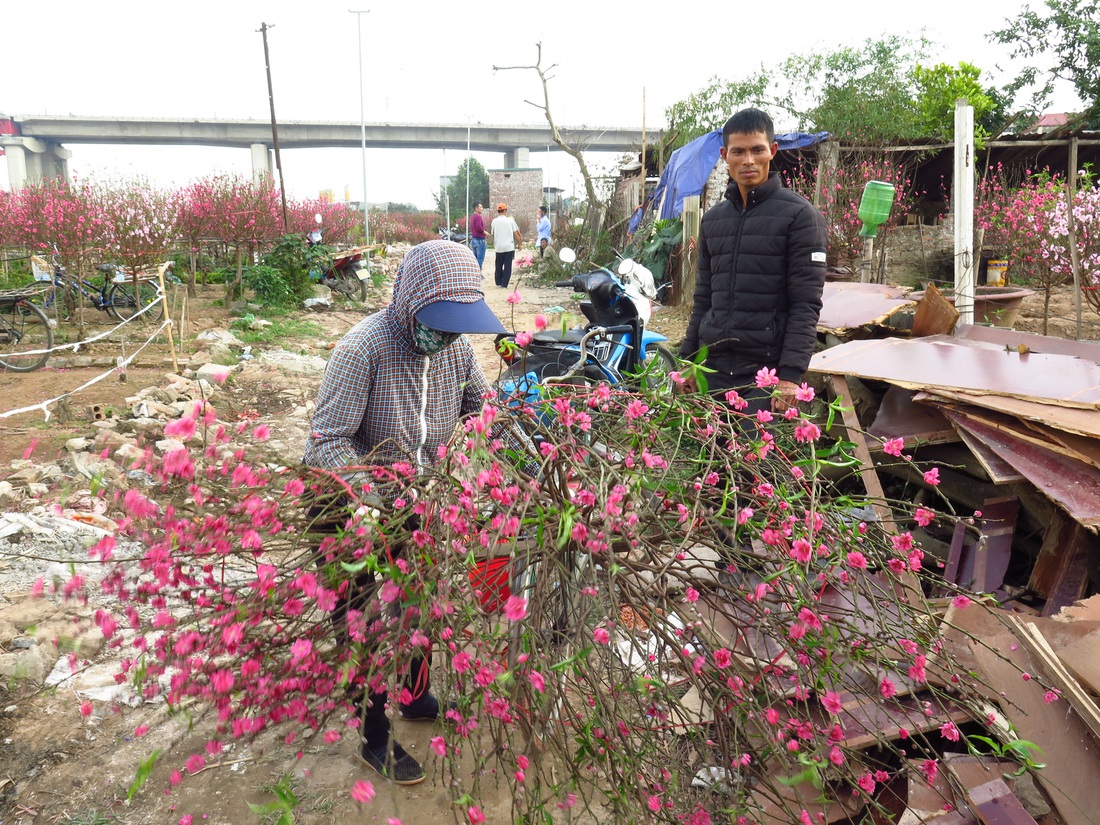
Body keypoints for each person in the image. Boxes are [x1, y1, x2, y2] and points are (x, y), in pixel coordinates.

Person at [303, 239, 506, 785]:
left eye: (455, 324)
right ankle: (375, 735)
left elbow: (483, 410)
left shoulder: (456, 352)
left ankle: (415, 695)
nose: (445, 336)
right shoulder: (363, 348)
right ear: (409, 302)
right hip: (349, 505)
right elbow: (324, 444)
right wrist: (378, 494)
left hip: (417, 501)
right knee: (362, 622)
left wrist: (518, 442)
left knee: (420, 602)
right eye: (437, 322)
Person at [679, 108, 827, 414]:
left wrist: (790, 377)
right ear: (724, 156)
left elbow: (805, 305)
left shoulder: (800, 217)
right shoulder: (712, 221)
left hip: (765, 376)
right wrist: (689, 361)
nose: (748, 160)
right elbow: (704, 299)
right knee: (708, 460)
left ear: (772, 151)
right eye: (739, 151)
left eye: (757, 150)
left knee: (754, 457)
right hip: (714, 371)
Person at [489, 202, 522, 288]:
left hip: (498, 248)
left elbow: (492, 234)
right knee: (508, 266)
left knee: (498, 265)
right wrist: (519, 244)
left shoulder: (494, 221)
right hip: (509, 247)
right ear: (505, 210)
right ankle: (504, 284)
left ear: (497, 211)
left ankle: (498, 282)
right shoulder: (510, 220)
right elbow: (516, 234)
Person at [468, 202, 487, 271]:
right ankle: (479, 274)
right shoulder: (478, 217)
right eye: (480, 207)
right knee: (480, 259)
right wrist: (485, 232)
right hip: (480, 240)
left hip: (474, 239)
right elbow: (478, 227)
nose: (482, 209)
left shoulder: (473, 216)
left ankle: (474, 273)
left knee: (475, 259)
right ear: (476, 208)